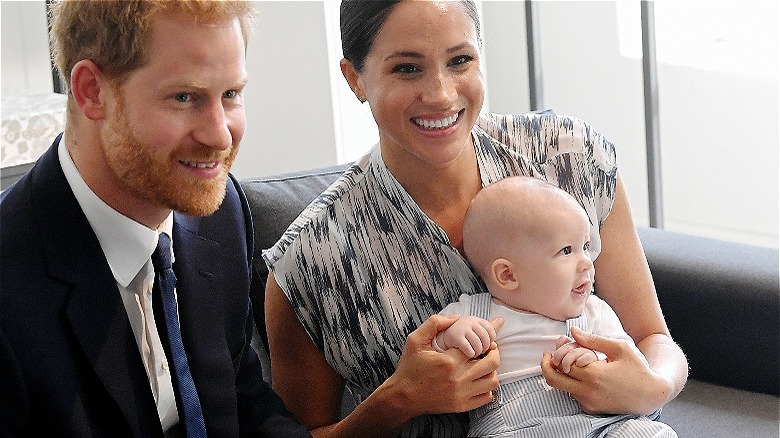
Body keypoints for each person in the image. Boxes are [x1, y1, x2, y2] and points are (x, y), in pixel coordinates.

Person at [263, 0, 688, 436]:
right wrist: (399, 399)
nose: (442, 94)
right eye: (407, 69)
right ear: (355, 79)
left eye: (460, 60)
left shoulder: (571, 157)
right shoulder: (311, 261)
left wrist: (652, 387)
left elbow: (653, 337)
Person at [0, 1, 309, 436]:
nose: (220, 134)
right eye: (185, 97)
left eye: (231, 94)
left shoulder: (219, 213)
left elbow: (244, 404)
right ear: (92, 91)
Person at [433, 176, 677, 437]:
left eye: (584, 246)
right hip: (513, 428)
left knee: (651, 433)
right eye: (566, 251)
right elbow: (429, 354)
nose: (586, 262)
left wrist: (597, 360)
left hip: (600, 425)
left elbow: (632, 365)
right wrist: (452, 336)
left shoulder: (595, 313)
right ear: (507, 275)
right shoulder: (473, 313)